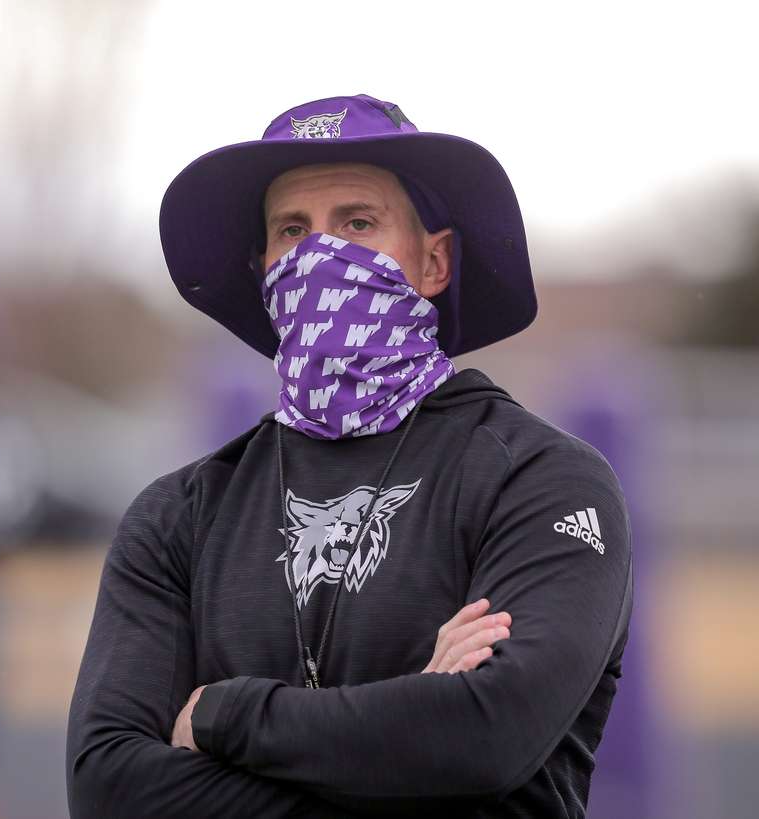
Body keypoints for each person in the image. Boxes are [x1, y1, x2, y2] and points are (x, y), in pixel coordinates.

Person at [66, 94, 632, 818]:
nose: (320, 255)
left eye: (357, 223)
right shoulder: (179, 517)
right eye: (291, 231)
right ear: (263, 270)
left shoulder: (541, 481)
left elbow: (491, 734)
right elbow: (108, 787)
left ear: (434, 261)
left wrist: (221, 718)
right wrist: (413, 728)